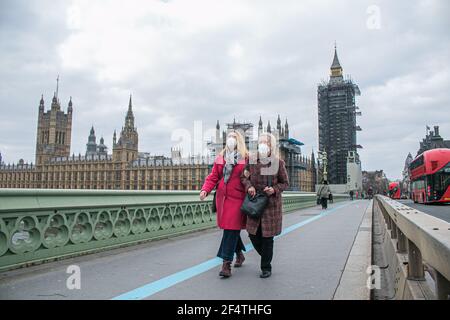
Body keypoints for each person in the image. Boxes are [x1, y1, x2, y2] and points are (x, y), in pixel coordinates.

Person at [200, 130, 248, 278]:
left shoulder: (246, 158)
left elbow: (250, 178)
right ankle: (239, 254)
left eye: (234, 137)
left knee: (230, 229)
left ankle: (226, 264)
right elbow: (213, 176)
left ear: (239, 141)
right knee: (231, 228)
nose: (231, 140)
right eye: (229, 138)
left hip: (238, 198)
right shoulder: (221, 158)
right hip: (223, 199)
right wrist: (205, 190)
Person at [240, 132, 289, 279]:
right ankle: (266, 256)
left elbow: (285, 183)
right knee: (252, 234)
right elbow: (243, 176)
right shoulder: (252, 160)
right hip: (254, 202)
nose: (261, 145)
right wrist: (249, 186)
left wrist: (274, 189)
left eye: (265, 142)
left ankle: (266, 267)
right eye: (259, 142)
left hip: (270, 205)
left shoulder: (278, 163)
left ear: (271, 145)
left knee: (267, 238)